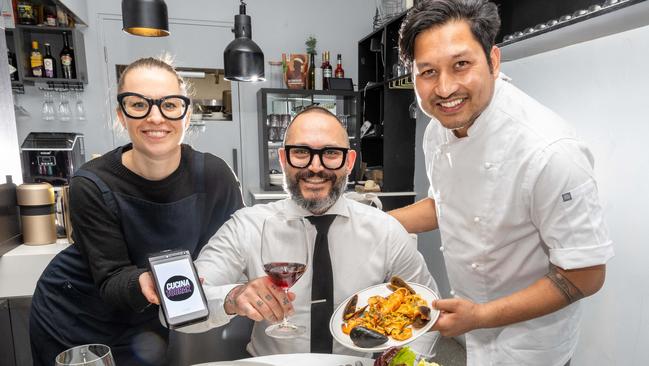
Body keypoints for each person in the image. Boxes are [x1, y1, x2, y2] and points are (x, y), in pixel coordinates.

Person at [388, 1, 615, 365]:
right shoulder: (438, 130)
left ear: (493, 61)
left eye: (461, 64)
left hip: (535, 345)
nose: (445, 88)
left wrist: (479, 315)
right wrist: (372, 223)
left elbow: (587, 276)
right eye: (428, 71)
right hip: (475, 330)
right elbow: (446, 204)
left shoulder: (550, 152)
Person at [142, 106, 438, 356]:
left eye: (330, 154)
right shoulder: (247, 226)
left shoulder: (386, 231)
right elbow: (178, 312)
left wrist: (405, 361)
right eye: (301, 153)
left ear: (348, 162)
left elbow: (428, 309)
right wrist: (233, 297)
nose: (315, 167)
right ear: (283, 159)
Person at [29, 56, 244, 366]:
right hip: (78, 317)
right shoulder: (91, 183)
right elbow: (111, 276)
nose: (156, 117)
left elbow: (238, 245)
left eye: (169, 105)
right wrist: (145, 282)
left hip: (154, 320)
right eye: (139, 104)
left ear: (186, 114)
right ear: (121, 115)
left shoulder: (213, 174)